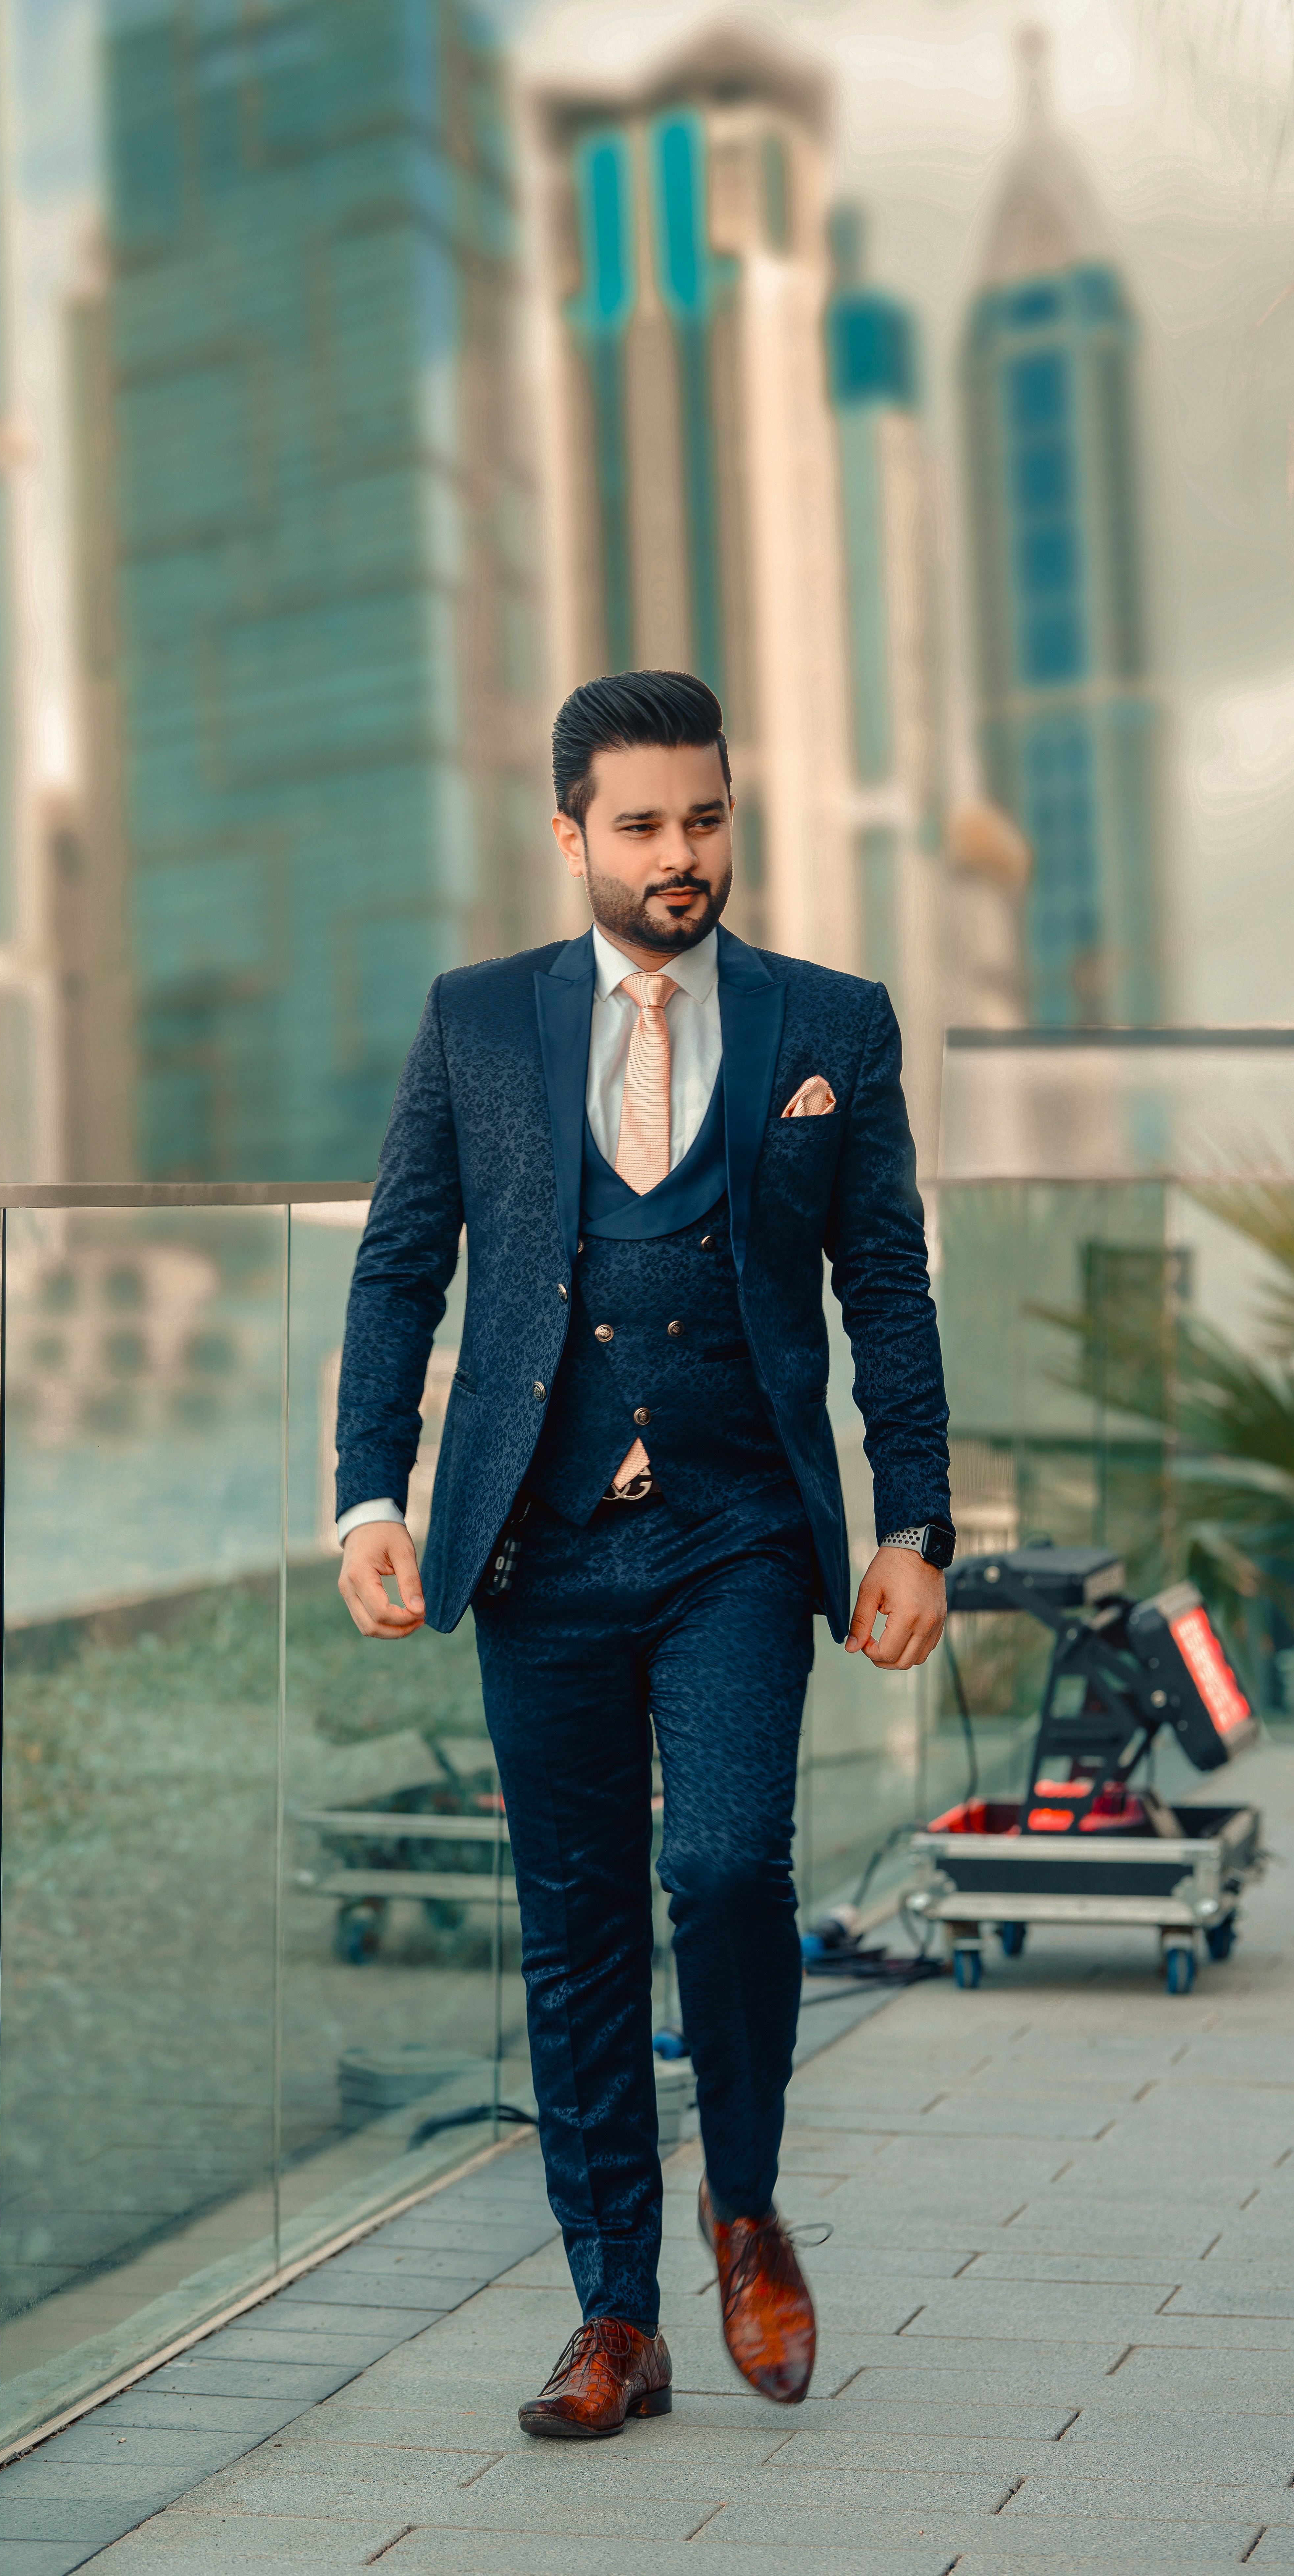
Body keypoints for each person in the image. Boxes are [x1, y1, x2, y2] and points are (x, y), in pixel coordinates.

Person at [334, 670, 952, 2438]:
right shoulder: (474, 1024)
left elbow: (884, 1286)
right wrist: (367, 1497)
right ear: (569, 838)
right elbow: (400, 1270)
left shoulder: (831, 1020)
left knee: (731, 1866)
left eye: (706, 817)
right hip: (534, 1546)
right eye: (642, 826)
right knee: (576, 1930)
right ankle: (615, 2313)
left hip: (738, 1528)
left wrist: (912, 1523)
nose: (681, 855)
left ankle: (742, 2205)